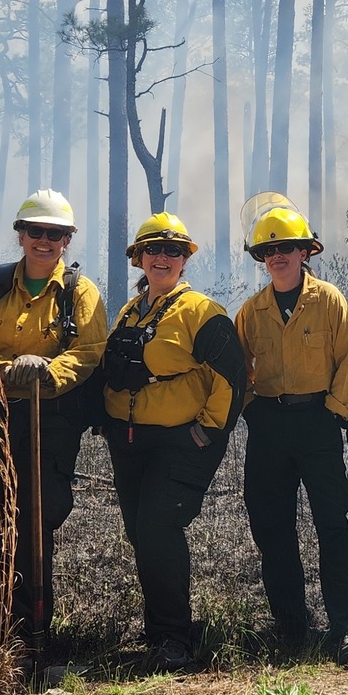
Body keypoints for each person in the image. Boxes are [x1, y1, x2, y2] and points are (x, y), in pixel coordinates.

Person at [102, 211, 248, 670]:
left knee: (158, 528)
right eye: (153, 249)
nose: (162, 257)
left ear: (185, 260)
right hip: (130, 440)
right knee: (141, 535)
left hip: (180, 443)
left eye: (173, 251)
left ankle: (174, 642)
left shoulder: (202, 312)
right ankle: (162, 630)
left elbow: (234, 377)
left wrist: (208, 429)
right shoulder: (132, 309)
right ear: (139, 257)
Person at [0, 190, 108, 665]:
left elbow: (89, 352)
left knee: (37, 517)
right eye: (36, 232)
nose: (44, 241)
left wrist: (48, 371)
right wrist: (4, 370)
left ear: (68, 240)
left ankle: (33, 630)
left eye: (55, 234)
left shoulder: (79, 292)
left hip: (50, 419)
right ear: (21, 234)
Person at [235, 204, 348, 667]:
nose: (279, 256)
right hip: (269, 426)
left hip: (318, 422)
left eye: (287, 247)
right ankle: (291, 627)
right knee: (273, 528)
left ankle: (347, 627)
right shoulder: (251, 312)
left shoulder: (330, 300)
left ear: (305, 251)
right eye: (269, 249)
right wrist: (254, 411)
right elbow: (240, 372)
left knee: (332, 525)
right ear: (262, 257)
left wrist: (333, 413)